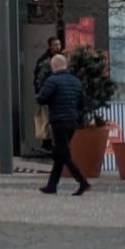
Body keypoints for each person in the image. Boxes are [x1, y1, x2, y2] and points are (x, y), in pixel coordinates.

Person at [38, 52, 93, 195]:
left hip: (58, 120)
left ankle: (82, 182)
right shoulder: (76, 81)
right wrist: (77, 116)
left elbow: (41, 98)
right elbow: (82, 103)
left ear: (54, 66)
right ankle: (51, 185)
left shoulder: (52, 80)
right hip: (72, 121)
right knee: (59, 153)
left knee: (63, 154)